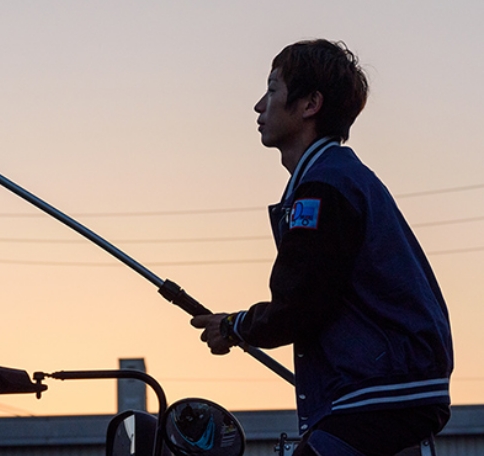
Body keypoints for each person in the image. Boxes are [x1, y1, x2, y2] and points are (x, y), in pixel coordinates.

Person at [190, 39, 453, 456]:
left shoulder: (323, 188)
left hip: (379, 391)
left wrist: (234, 327)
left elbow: (302, 305)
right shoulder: (341, 178)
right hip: (395, 388)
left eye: (273, 89)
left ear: (310, 103)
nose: (260, 106)